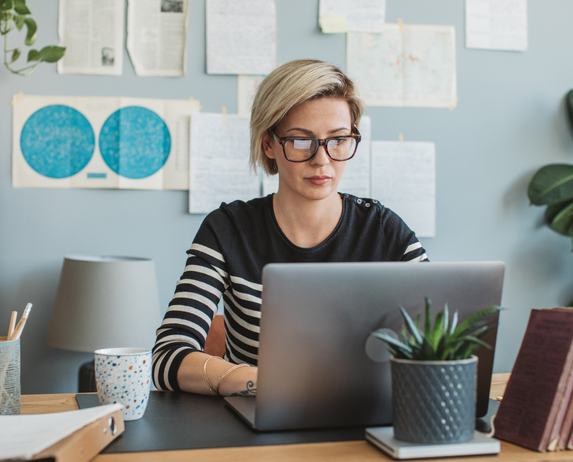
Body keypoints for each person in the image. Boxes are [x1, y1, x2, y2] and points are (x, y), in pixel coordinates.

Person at [152, 59, 428, 397]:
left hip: (362, 422)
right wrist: (261, 382)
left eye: (338, 140)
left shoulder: (383, 231)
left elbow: (439, 343)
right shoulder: (227, 231)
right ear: (269, 143)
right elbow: (167, 357)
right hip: (258, 426)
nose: (322, 160)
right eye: (300, 141)